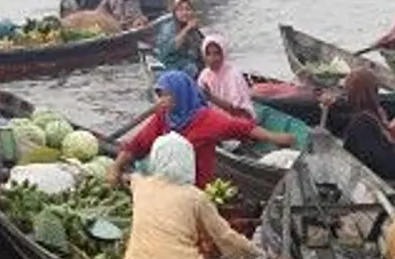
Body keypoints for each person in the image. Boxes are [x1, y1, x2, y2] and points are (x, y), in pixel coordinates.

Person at [117, 131, 265, 259]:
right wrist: (259, 256)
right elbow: (225, 237)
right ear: (189, 161)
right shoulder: (196, 198)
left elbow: (128, 178)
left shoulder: (141, 185)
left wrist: (118, 172)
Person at [110, 70, 294, 189]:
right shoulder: (163, 118)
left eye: (165, 95)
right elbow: (137, 145)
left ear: (180, 94)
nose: (161, 101)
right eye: (159, 95)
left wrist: (275, 137)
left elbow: (243, 128)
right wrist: (116, 166)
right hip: (167, 186)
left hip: (196, 188)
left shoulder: (208, 119)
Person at [324, 67, 395, 184]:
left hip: (378, 181)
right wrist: (331, 108)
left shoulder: (361, 123)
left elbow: (374, 160)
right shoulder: (376, 112)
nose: (344, 94)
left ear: (351, 92)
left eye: (346, 90)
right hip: (388, 173)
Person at [151, 0, 204, 75]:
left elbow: (202, 45)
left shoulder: (193, 29)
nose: (185, 13)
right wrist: (187, 29)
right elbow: (172, 48)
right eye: (180, 10)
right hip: (170, 65)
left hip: (188, 62)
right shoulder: (168, 28)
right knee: (191, 68)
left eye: (188, 9)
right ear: (175, 13)